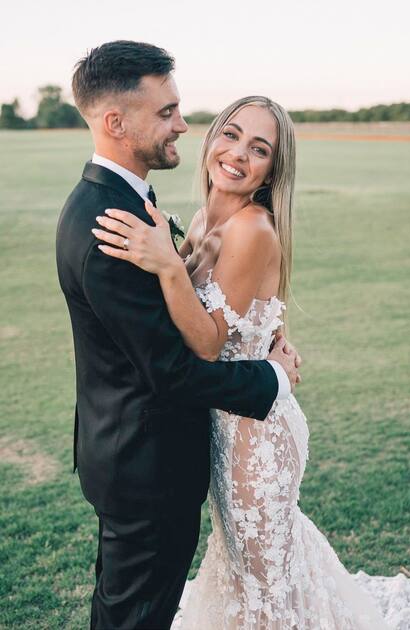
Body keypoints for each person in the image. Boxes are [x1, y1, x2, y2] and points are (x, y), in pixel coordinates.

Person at [95, 96, 395, 628]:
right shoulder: (206, 215)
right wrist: (277, 340)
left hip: (254, 443)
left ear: (272, 169)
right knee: (246, 572)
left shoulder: (251, 228)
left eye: (259, 149)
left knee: (265, 590)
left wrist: (167, 263)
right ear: (212, 138)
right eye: (230, 134)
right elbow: (256, 312)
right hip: (221, 425)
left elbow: (209, 342)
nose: (237, 154)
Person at [56, 41, 301, 630]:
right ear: (117, 122)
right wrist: (271, 376)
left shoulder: (126, 203)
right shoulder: (111, 226)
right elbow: (173, 369)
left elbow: (236, 304)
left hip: (188, 449)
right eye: (166, 112)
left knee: (245, 591)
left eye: (258, 147)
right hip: (146, 464)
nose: (183, 125)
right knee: (132, 613)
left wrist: (270, 328)